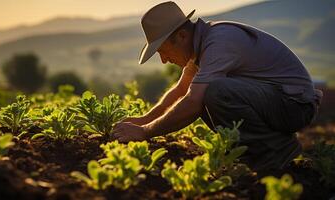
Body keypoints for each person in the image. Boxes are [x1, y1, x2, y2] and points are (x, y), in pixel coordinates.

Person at [112, 1, 322, 170]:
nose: (164, 60)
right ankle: (256, 152)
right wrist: (143, 121)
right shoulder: (200, 47)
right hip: (275, 101)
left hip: (294, 105)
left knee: (214, 92)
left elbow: (193, 102)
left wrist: (145, 132)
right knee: (204, 91)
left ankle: (274, 150)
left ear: (182, 36)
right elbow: (181, 91)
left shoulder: (219, 41)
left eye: (163, 51)